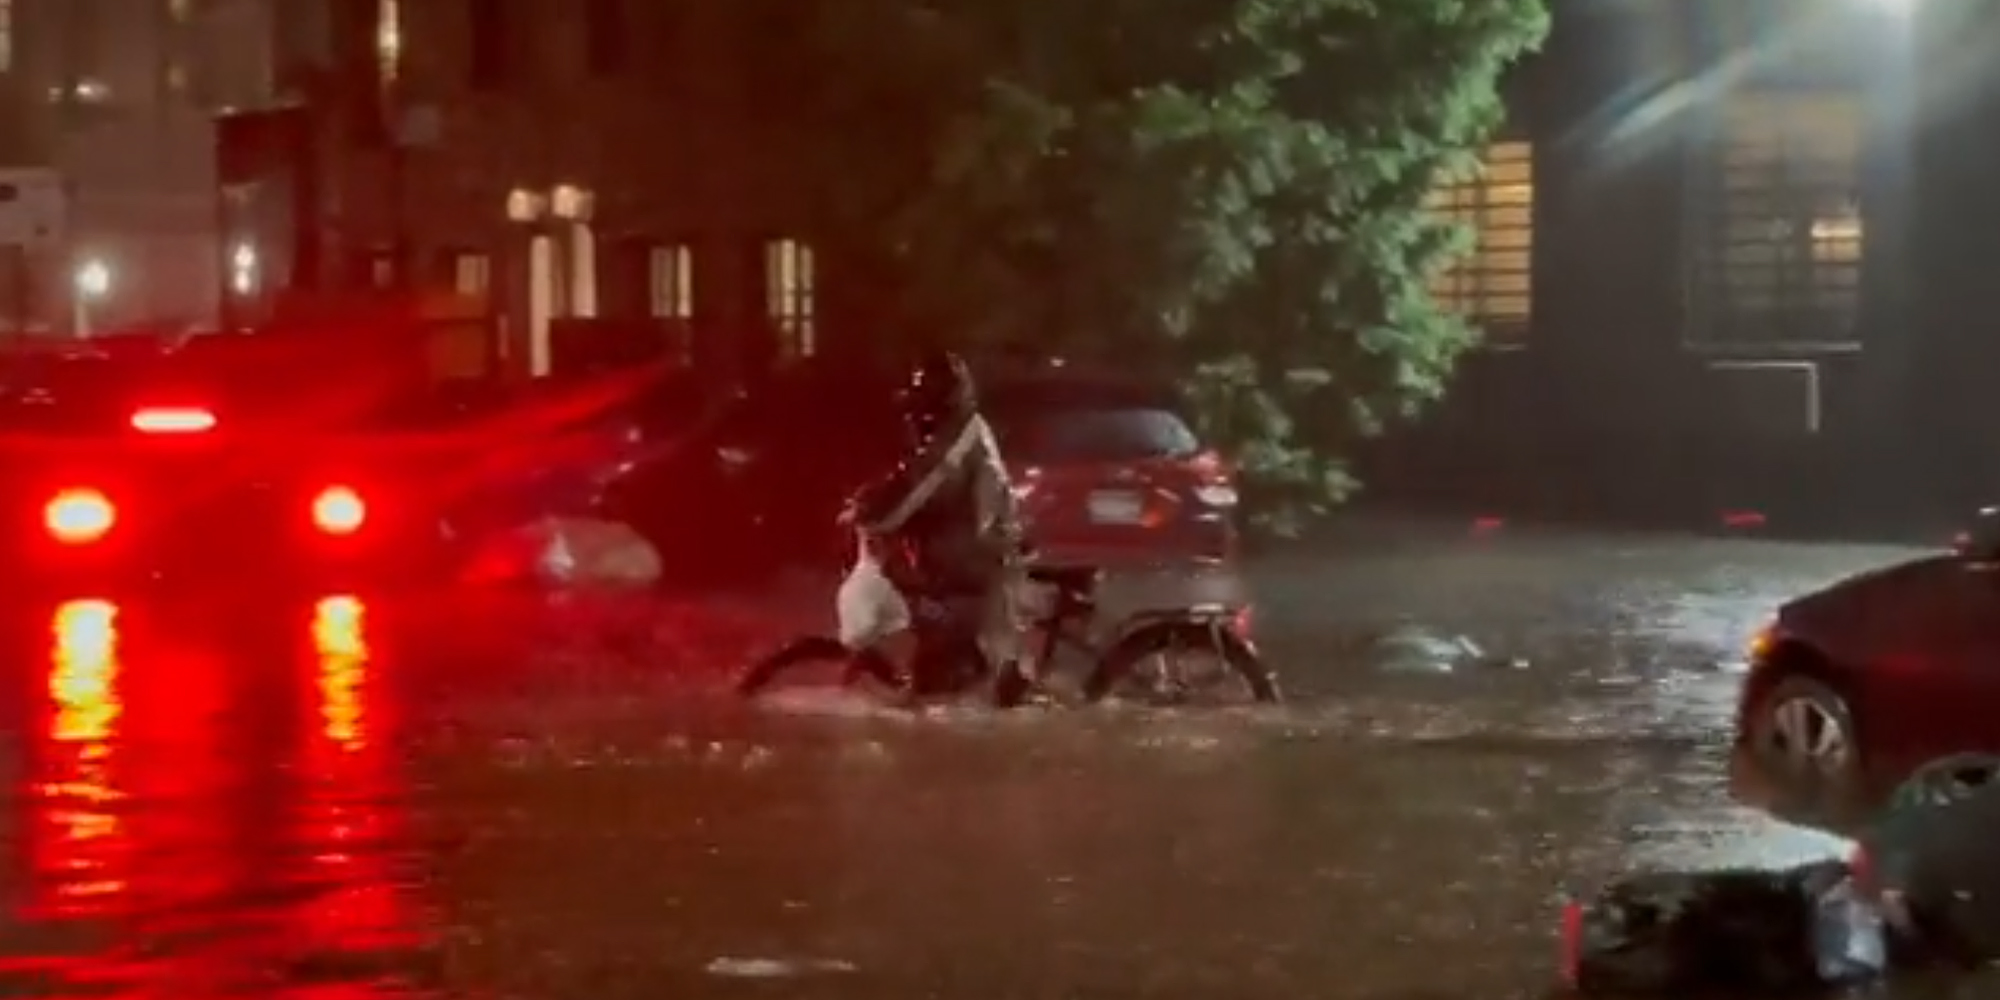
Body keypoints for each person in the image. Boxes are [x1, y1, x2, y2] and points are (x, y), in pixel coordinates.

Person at [842, 350, 1033, 706]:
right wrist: (874, 497)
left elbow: (924, 484)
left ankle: (974, 691)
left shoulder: (960, 436)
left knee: (936, 630)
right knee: (935, 634)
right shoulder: (954, 430)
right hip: (964, 552)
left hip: (975, 555)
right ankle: (966, 686)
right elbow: (914, 476)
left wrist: (874, 516)